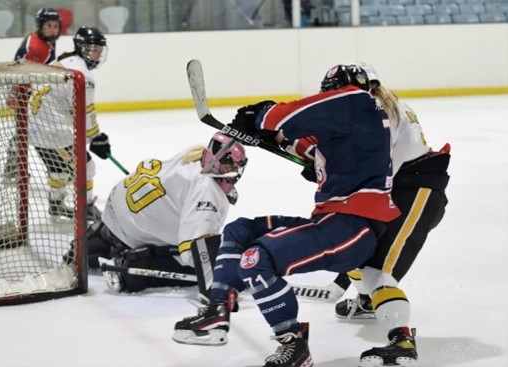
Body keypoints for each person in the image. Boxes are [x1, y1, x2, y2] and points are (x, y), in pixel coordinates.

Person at [173, 65, 400, 367]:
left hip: (353, 228)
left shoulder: (355, 100)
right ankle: (217, 310)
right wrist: (278, 139)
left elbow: (288, 115)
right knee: (241, 231)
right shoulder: (357, 120)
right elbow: (303, 142)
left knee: (256, 258)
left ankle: (293, 344)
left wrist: (259, 117)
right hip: (334, 223)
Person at [293, 62, 450, 366]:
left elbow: (370, 165)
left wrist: (324, 164)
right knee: (357, 249)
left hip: (417, 192)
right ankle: (368, 301)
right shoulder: (378, 104)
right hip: (401, 190)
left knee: (379, 272)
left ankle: (402, 341)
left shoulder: (374, 110)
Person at [86, 132, 247, 294]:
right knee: (197, 262)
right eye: (230, 166)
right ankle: (126, 267)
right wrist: (223, 272)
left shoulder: (196, 153)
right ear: (215, 162)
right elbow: (195, 252)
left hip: (114, 209)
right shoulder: (206, 189)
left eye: (237, 166)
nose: (235, 171)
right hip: (133, 233)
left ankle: (98, 236)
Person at [25, 26, 111, 221]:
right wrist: (96, 138)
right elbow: (85, 111)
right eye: (92, 49)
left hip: (35, 128)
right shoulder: (84, 76)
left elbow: (67, 104)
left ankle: (55, 204)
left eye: (99, 50)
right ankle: (86, 207)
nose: (97, 55)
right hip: (53, 133)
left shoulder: (64, 61)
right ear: (81, 48)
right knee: (87, 167)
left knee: (58, 168)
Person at [4, 8, 62, 181]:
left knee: (25, 131)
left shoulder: (44, 40)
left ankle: (12, 167)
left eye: (56, 26)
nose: (53, 29)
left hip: (31, 92)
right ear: (40, 26)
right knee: (27, 132)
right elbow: (20, 71)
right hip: (25, 93)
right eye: (49, 26)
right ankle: (14, 168)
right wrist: (14, 94)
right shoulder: (37, 47)